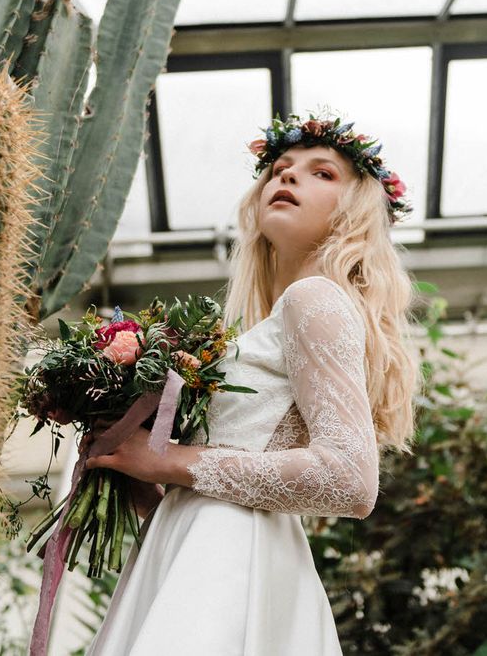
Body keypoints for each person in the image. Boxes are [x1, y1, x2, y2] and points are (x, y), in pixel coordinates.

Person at [81, 110, 420, 655]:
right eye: (280, 168)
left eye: (321, 173)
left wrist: (166, 459)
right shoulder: (264, 324)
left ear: (355, 212)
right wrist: (139, 472)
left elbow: (350, 480)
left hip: (230, 555)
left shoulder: (314, 299)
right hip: (200, 545)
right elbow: (235, 461)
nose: (287, 177)